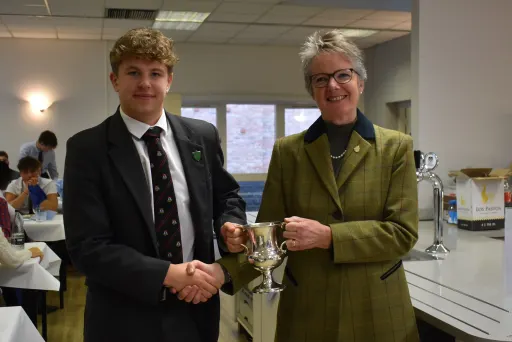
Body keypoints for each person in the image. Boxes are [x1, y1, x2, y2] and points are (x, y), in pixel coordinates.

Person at [219, 29, 420, 342]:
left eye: (343, 75)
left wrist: (328, 236)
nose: (333, 85)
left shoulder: (396, 147)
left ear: (360, 82)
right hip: (307, 309)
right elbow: (270, 236)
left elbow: (402, 234)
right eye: (321, 79)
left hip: (377, 307)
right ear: (311, 90)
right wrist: (223, 270)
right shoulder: (288, 151)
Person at [63, 28, 246, 342]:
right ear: (115, 80)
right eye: (133, 72)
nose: (145, 83)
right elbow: (87, 247)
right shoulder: (87, 148)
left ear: (169, 80)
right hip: (123, 315)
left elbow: (226, 195)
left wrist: (230, 223)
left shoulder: (201, 136)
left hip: (196, 307)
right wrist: (169, 275)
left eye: (155, 73)